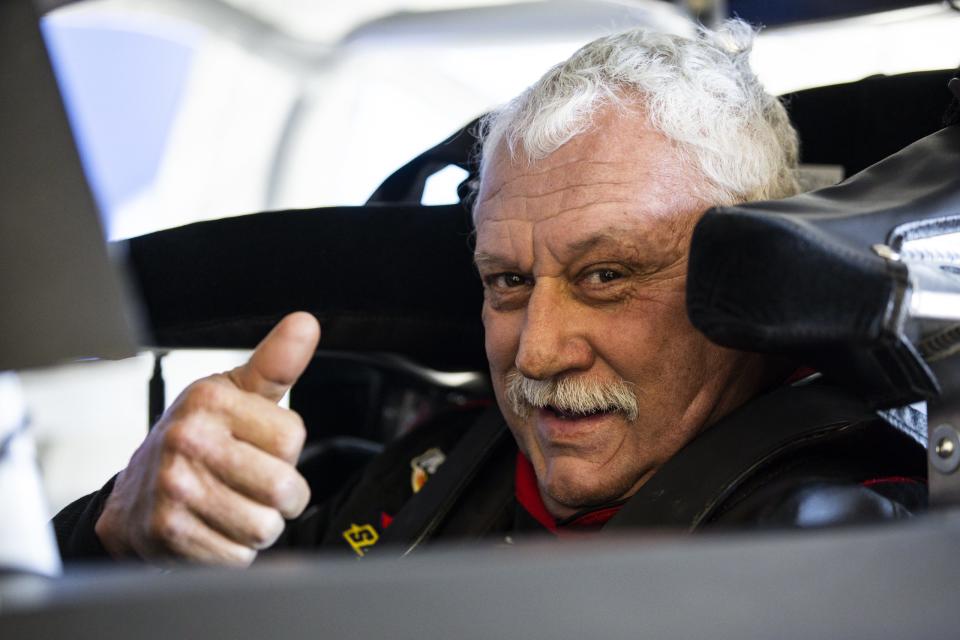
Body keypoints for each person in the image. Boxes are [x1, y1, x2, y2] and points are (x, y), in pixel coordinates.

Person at [53, 20, 925, 566]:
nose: (537, 352)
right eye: (507, 281)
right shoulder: (422, 472)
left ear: (750, 275)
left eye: (607, 276)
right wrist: (118, 527)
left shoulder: (850, 536)